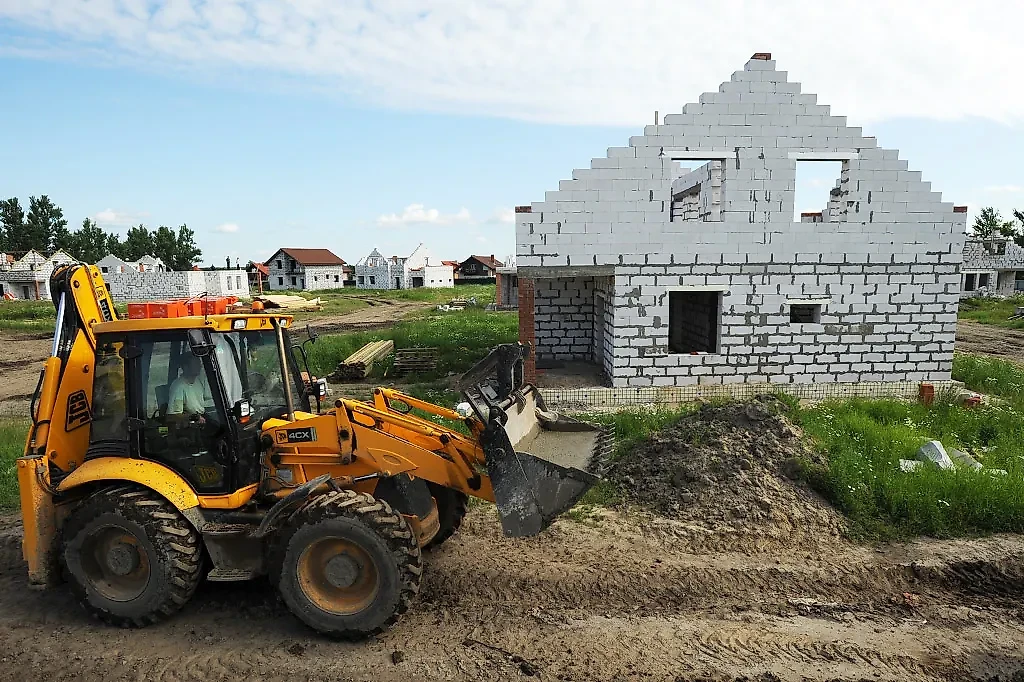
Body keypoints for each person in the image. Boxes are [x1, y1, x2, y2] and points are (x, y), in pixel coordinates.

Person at [168, 354, 212, 423]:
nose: (200, 366)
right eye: (196, 364)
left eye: (199, 363)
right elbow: (172, 416)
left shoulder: (199, 380)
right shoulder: (178, 386)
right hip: (191, 423)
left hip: (202, 417)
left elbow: (209, 400)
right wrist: (194, 417)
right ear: (186, 367)